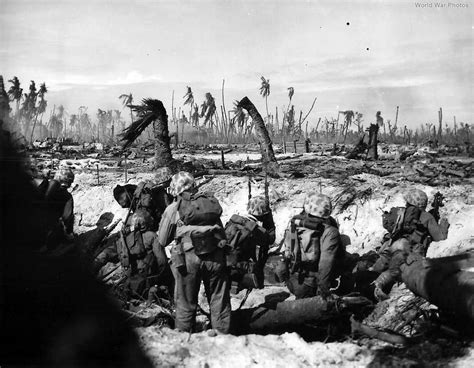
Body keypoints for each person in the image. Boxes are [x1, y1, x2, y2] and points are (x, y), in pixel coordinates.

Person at [157, 171, 231, 334]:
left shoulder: (174, 208)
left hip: (188, 257)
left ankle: (184, 337)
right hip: (215, 255)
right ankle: (223, 336)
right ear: (195, 186)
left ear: (176, 190)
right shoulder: (208, 206)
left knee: (185, 301)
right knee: (219, 299)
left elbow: (162, 240)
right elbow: (221, 233)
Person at [372, 188, 450, 300]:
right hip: (409, 248)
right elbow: (440, 237)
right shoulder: (427, 217)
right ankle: (378, 285)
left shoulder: (402, 212)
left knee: (378, 266)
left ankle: (366, 282)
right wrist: (444, 225)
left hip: (392, 244)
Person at [275, 192, 345, 299]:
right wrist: (323, 291)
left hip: (293, 279)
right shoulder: (330, 231)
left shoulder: (297, 222)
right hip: (311, 284)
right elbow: (326, 263)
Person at [95, 209, 171, 300]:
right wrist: (161, 278)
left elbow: (109, 252)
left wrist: (96, 263)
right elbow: (162, 261)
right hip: (146, 280)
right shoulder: (152, 236)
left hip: (128, 280)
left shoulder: (125, 237)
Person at [225, 195, 275, 292]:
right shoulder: (254, 229)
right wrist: (269, 221)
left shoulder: (233, 221)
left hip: (224, 264)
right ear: (263, 213)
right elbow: (271, 239)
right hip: (238, 267)